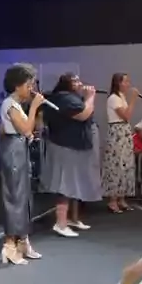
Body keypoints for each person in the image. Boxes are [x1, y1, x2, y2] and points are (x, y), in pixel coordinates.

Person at [41, 73, 101, 237]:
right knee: (65, 185)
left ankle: (72, 219)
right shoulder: (64, 98)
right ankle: (60, 223)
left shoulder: (70, 98)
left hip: (72, 146)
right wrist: (90, 97)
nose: (79, 83)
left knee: (74, 184)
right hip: (65, 146)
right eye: (75, 81)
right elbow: (83, 114)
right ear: (66, 83)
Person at [0, 64, 44, 265]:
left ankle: (23, 241)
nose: (31, 89)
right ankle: (9, 245)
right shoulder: (9, 104)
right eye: (28, 85)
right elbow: (25, 129)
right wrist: (34, 107)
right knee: (15, 196)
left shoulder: (16, 105)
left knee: (24, 196)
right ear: (17, 85)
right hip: (13, 152)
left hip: (19, 149)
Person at [102, 73, 138, 213]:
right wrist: (133, 99)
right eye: (126, 81)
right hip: (117, 133)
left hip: (124, 132)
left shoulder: (121, 97)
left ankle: (121, 198)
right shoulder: (113, 98)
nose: (128, 84)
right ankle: (112, 200)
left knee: (125, 165)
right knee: (115, 165)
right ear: (118, 83)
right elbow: (126, 115)